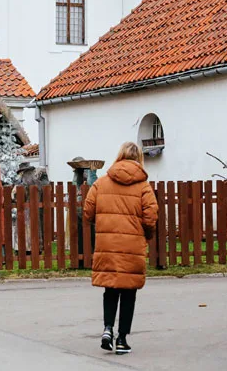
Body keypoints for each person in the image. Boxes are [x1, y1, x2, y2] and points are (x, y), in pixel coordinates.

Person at [83, 141, 158, 355]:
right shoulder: (143, 187)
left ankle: (107, 328)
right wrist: (147, 235)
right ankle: (122, 339)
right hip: (132, 245)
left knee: (110, 288)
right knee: (128, 291)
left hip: (107, 244)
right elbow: (151, 216)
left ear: (119, 156)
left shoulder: (101, 183)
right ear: (139, 159)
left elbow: (87, 211)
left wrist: (103, 223)